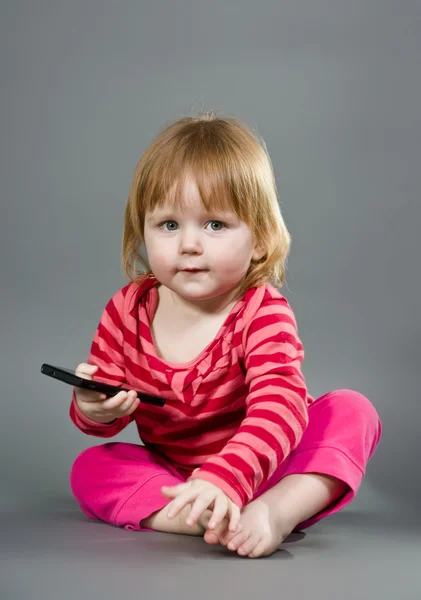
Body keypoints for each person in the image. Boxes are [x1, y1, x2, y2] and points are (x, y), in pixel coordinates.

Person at [69, 110, 382, 558]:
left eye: (215, 225)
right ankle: (206, 516)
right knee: (91, 469)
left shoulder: (260, 310)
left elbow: (280, 407)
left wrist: (230, 475)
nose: (189, 244)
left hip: (266, 466)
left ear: (259, 240)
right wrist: (94, 408)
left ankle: (274, 510)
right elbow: (110, 412)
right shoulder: (127, 309)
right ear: (143, 231)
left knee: (353, 412)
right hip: (178, 475)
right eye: (169, 225)